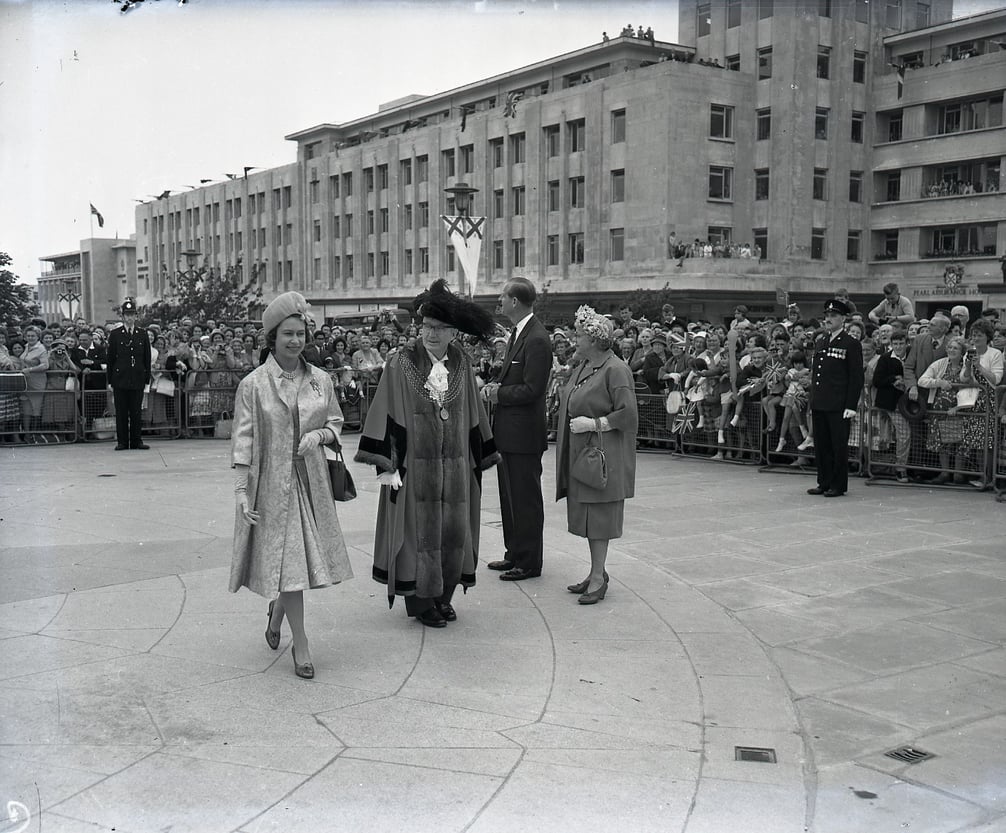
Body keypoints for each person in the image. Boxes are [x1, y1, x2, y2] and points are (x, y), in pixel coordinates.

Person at [355, 279, 499, 628]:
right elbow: (385, 411)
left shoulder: (462, 363)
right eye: (426, 326)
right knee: (418, 534)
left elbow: (474, 412)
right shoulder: (400, 362)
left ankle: (443, 595)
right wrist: (389, 465)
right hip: (414, 468)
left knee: (453, 533)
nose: (431, 334)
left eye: (439, 328)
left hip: (456, 468)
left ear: (453, 332)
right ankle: (421, 603)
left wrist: (479, 455)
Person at [230, 291, 353, 679]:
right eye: (287, 334)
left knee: (292, 564)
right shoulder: (253, 384)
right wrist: (239, 488)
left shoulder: (321, 381)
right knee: (291, 562)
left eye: (300, 333)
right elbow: (243, 437)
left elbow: (336, 422)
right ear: (273, 337)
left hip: (311, 483)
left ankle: (276, 616)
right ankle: (301, 644)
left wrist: (319, 437)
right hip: (271, 486)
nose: (295, 340)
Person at [555, 305, 638, 605]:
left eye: (578, 336)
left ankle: (599, 576)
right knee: (590, 517)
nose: (575, 341)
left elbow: (628, 415)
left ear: (593, 338)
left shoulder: (616, 369)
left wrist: (595, 423)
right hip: (586, 453)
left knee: (599, 518)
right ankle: (595, 572)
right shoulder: (586, 365)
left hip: (604, 455)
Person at [481, 277, 553, 582]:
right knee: (510, 499)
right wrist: (497, 384)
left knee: (525, 500)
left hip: (524, 435)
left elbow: (534, 389)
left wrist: (499, 394)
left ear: (514, 301)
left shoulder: (536, 338)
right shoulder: (518, 333)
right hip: (510, 434)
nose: (499, 302)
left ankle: (529, 561)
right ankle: (514, 553)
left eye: (503, 297)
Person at [807, 299, 864, 497]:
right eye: (827, 316)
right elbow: (817, 373)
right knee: (821, 445)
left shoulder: (851, 343)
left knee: (838, 446)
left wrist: (851, 405)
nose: (829, 319)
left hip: (839, 404)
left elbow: (856, 377)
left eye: (833, 316)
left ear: (843, 319)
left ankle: (838, 485)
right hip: (821, 401)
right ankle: (823, 481)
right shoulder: (822, 340)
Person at [105, 299, 152, 450]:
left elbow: (146, 357)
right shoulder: (115, 334)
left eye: (132, 315)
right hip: (120, 378)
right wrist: (110, 380)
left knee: (136, 411)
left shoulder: (142, 334)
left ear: (136, 316)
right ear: (123, 317)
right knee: (121, 411)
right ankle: (122, 441)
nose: (130, 318)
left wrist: (146, 378)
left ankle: (137, 440)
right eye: (127, 315)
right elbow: (111, 358)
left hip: (137, 377)